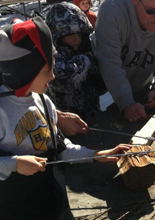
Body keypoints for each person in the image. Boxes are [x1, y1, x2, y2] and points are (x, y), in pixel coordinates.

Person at [0, 17, 131, 219]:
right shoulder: (2, 110)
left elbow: (61, 150)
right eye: (46, 71)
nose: (52, 77)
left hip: (50, 200)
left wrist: (96, 155)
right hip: (12, 208)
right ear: (22, 73)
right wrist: (14, 163)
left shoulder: (43, 102)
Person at [91, 0, 155, 123]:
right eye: (150, 11)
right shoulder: (112, 11)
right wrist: (126, 101)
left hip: (140, 81)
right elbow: (109, 63)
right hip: (96, 76)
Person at [45, 2, 106, 120]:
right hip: (65, 123)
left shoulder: (85, 50)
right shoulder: (52, 57)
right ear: (57, 34)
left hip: (92, 115)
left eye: (79, 33)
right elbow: (62, 80)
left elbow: (101, 84)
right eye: (70, 33)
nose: (77, 38)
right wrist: (87, 62)